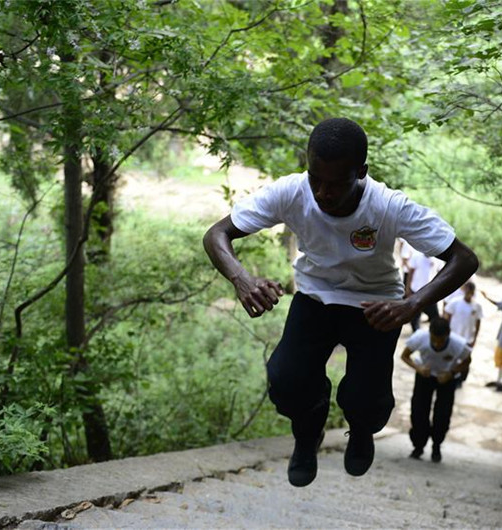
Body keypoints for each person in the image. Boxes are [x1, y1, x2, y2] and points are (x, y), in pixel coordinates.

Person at [203, 118, 478, 487]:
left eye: (336, 183)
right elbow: (217, 233)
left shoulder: (388, 206)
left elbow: (464, 258)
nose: (322, 193)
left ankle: (362, 429)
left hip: (376, 305)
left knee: (368, 400)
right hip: (316, 296)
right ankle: (307, 432)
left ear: (360, 172)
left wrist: (412, 305)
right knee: (285, 381)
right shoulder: (291, 191)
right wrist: (242, 279)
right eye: (315, 178)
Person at [400, 317, 471, 463]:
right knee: (419, 411)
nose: (437, 344)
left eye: (441, 340)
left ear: (448, 335)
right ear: (429, 333)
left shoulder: (458, 344)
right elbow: (405, 355)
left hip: (446, 378)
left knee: (443, 414)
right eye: (434, 340)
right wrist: (418, 368)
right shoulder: (420, 337)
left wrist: (450, 373)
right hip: (424, 375)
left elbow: (467, 360)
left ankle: (436, 446)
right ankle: (418, 446)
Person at [443, 281, 482, 387]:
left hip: (467, 337)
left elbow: (478, 323)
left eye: (471, 292)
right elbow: (447, 317)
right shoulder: (455, 302)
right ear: (464, 290)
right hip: (454, 335)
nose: (469, 294)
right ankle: (450, 375)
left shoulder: (477, 306)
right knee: (451, 357)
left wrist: (475, 338)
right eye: (467, 291)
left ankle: (461, 379)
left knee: (466, 358)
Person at [406, 248, 440, 331]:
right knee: (415, 316)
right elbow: (410, 272)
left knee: (434, 316)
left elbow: (440, 273)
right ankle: (416, 332)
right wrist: (408, 289)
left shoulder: (437, 259)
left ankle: (434, 333)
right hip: (416, 290)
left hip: (430, 292)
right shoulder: (416, 256)